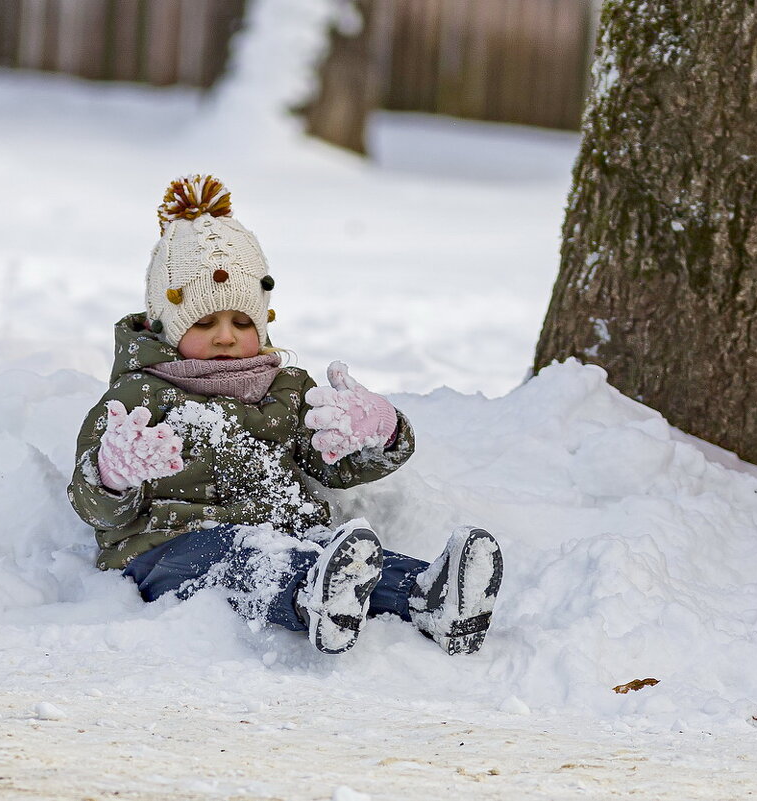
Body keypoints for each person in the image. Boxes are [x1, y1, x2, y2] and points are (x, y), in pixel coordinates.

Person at [67, 175, 503, 655]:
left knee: (348, 561)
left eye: (242, 321)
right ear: (165, 327)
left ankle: (431, 597)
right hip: (169, 549)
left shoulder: (287, 389)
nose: (226, 337)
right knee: (244, 557)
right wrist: (113, 477)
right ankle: (314, 598)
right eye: (204, 322)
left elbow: (332, 465)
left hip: (290, 535)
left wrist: (379, 433)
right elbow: (95, 509)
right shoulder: (138, 398)